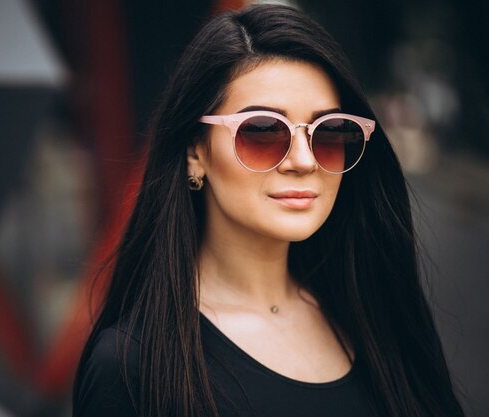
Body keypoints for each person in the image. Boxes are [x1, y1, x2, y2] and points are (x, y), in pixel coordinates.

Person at [73, 4, 465, 417]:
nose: (303, 160)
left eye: (329, 132)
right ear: (195, 153)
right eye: (262, 130)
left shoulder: (379, 313)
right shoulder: (131, 366)